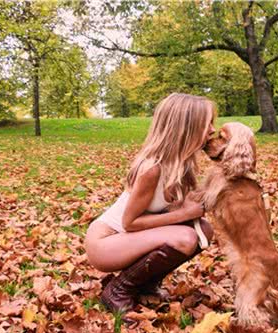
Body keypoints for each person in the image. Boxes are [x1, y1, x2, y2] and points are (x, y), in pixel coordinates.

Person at [84, 93, 216, 313]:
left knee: (204, 230)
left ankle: (145, 284)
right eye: (207, 124)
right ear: (185, 127)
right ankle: (118, 290)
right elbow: (130, 222)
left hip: (127, 240)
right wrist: (185, 214)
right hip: (106, 242)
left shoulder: (181, 165)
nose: (212, 130)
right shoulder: (152, 168)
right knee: (186, 237)